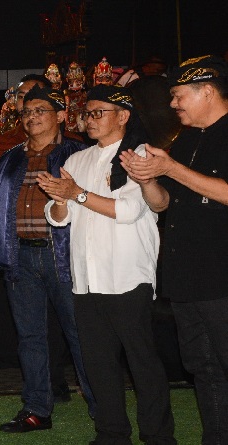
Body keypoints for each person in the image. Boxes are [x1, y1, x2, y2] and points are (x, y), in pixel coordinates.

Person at [38, 84, 176, 445]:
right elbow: (57, 218)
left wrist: (76, 195)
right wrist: (61, 200)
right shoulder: (77, 159)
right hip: (86, 280)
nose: (89, 120)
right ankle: (112, 434)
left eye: (98, 112)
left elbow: (129, 210)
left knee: (142, 362)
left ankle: (158, 435)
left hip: (128, 275)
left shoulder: (140, 155)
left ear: (123, 116)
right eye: (87, 113)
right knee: (98, 365)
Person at [121, 54, 228, 445]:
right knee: (203, 368)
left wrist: (171, 169)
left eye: (178, 95)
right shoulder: (184, 140)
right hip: (187, 278)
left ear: (207, 91)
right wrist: (147, 177)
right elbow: (164, 203)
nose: (172, 104)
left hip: (223, 277)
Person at [0, 85, 96, 433]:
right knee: (29, 337)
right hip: (20, 258)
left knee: (81, 336)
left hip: (66, 258)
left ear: (61, 115)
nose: (31, 117)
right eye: (27, 112)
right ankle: (36, 410)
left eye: (40, 110)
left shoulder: (79, 154)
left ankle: (103, 410)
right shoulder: (9, 157)